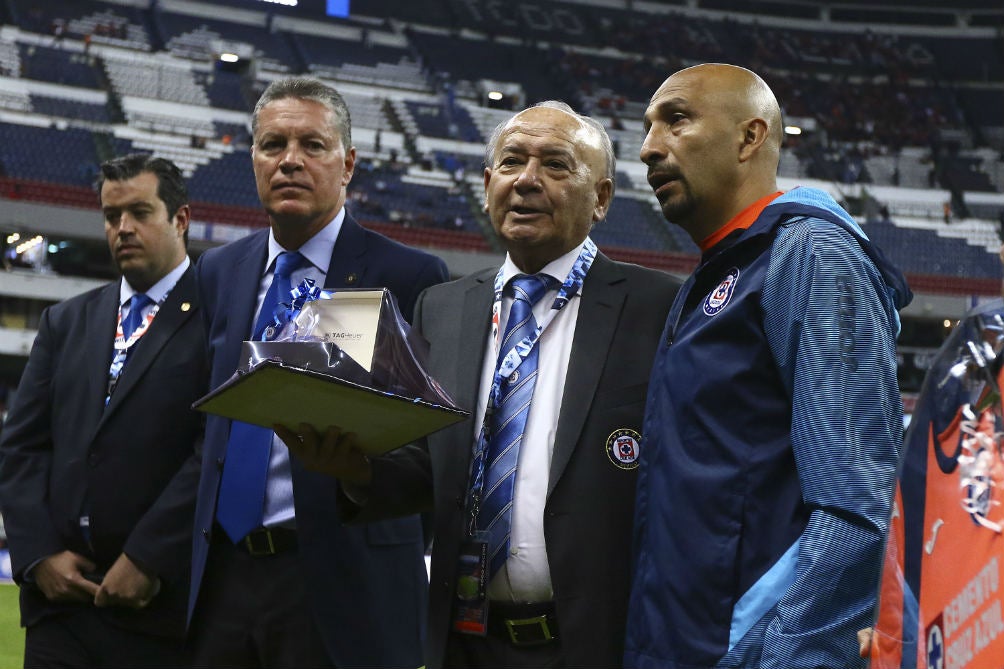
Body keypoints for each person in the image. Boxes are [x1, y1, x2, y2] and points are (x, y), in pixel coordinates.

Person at [279, 101, 680, 668]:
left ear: (602, 200)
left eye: (556, 165)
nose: (527, 181)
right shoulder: (442, 307)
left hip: (596, 642)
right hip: (464, 639)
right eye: (512, 162)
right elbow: (430, 465)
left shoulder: (657, 306)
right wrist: (357, 470)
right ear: (489, 182)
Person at [625, 63, 912, 669]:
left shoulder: (810, 255)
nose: (648, 149)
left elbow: (857, 502)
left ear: (750, 137)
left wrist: (786, 655)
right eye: (647, 128)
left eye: (676, 120)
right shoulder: (719, 272)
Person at [188, 76, 449, 669]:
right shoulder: (219, 271)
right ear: (252, 158)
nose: (290, 161)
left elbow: (433, 441)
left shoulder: (408, 274)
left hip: (347, 575)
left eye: (312, 145)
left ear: (348, 162)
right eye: (272, 144)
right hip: (223, 574)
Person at [0, 154, 207, 668]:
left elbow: (214, 451)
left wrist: (148, 558)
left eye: (140, 212)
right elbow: (22, 446)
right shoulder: (65, 322)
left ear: (180, 219)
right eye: (112, 216)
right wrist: (38, 555)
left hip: (159, 608)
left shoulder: (218, 317)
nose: (123, 228)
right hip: (60, 610)